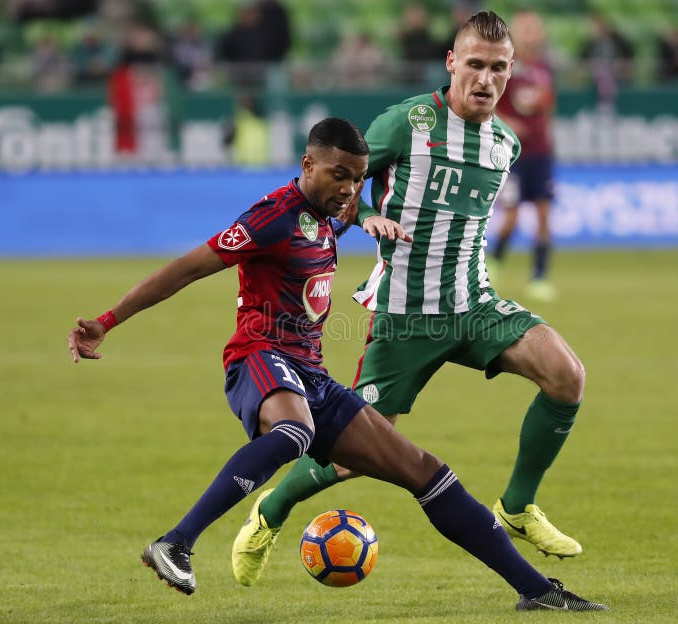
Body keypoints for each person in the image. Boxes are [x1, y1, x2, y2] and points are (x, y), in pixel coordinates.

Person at [66, 117, 608, 612]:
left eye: (356, 178)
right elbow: (187, 267)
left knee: (428, 473)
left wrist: (366, 218)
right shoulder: (271, 217)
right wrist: (108, 321)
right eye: (338, 175)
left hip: (312, 375)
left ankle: (538, 591)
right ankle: (175, 543)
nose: (348, 188)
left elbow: (352, 210)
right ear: (308, 165)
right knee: (294, 430)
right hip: (258, 354)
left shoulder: (332, 213)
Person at [242, 10, 590, 588]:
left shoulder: (506, 142)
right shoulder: (407, 122)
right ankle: (269, 512)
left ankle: (518, 506)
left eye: (498, 69)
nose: (485, 79)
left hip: (473, 305)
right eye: (474, 65)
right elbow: (334, 187)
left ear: (511, 71)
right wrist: (371, 215)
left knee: (565, 374)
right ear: (451, 63)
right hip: (405, 317)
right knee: (357, 453)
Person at [490, 10, 557, 303]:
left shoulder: (544, 68)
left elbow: (547, 107)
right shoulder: (506, 67)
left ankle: (539, 277)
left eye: (535, 29)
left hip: (541, 153)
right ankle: (494, 261)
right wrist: (508, 123)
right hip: (514, 154)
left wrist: (548, 134)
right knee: (512, 216)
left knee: (543, 214)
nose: (532, 34)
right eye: (526, 29)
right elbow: (490, 105)